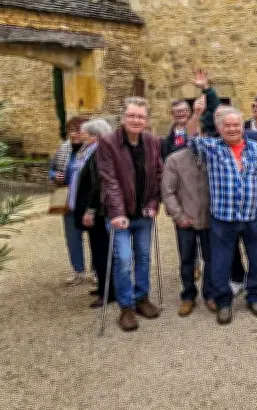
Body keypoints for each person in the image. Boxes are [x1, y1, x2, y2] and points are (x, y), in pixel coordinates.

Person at [189, 104, 257, 325]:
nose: (232, 129)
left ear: (242, 126)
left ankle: (254, 296)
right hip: (223, 219)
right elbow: (189, 137)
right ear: (219, 128)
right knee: (221, 264)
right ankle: (224, 302)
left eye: (236, 124)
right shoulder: (211, 147)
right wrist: (197, 114)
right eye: (227, 125)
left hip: (253, 217)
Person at [96, 97, 163, 332]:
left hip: (144, 214)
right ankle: (126, 306)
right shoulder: (108, 143)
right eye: (132, 115)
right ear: (123, 118)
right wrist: (117, 212)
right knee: (123, 260)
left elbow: (158, 174)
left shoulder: (152, 141)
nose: (136, 120)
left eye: (141, 116)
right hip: (119, 215)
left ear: (146, 119)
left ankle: (142, 298)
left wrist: (154, 203)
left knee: (143, 257)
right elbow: (110, 180)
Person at [161, 111, 214, 316]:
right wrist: (179, 216)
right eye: (194, 133)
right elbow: (168, 191)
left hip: (210, 219)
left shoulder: (214, 157)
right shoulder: (175, 160)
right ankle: (188, 296)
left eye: (201, 133)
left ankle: (209, 294)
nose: (198, 137)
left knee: (211, 259)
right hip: (186, 219)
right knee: (187, 260)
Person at [70, 118, 115, 308]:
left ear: (95, 136)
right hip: (88, 209)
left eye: (85, 134)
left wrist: (90, 210)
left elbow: (97, 186)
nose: (82, 136)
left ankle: (109, 292)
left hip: (96, 212)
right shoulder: (88, 151)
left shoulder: (98, 154)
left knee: (102, 251)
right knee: (97, 250)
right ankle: (103, 288)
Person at [50, 115, 89, 286]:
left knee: (96, 238)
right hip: (68, 203)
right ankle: (78, 272)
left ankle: (97, 272)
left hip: (88, 202)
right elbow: (51, 170)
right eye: (72, 130)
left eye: (79, 130)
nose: (75, 134)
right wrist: (54, 175)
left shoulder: (93, 149)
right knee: (73, 239)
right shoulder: (63, 149)